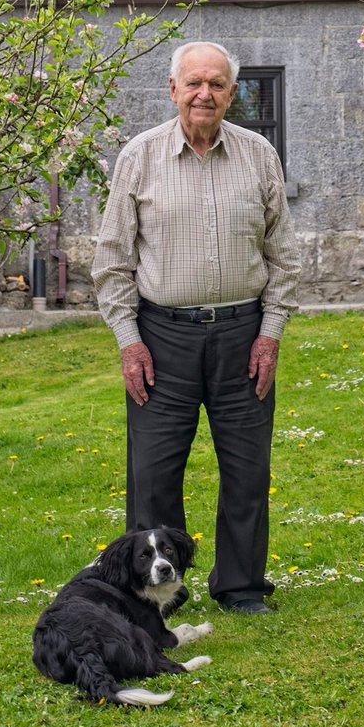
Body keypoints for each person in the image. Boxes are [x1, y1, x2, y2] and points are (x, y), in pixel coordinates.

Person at [91, 41, 300, 615]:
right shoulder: (140, 157)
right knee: (153, 474)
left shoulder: (260, 156)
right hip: (163, 340)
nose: (204, 93)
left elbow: (284, 256)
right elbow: (112, 260)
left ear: (233, 94)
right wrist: (129, 341)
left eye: (216, 84)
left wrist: (271, 332)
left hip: (244, 336)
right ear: (173, 90)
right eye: (194, 83)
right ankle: (159, 591)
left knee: (247, 469)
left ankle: (240, 587)